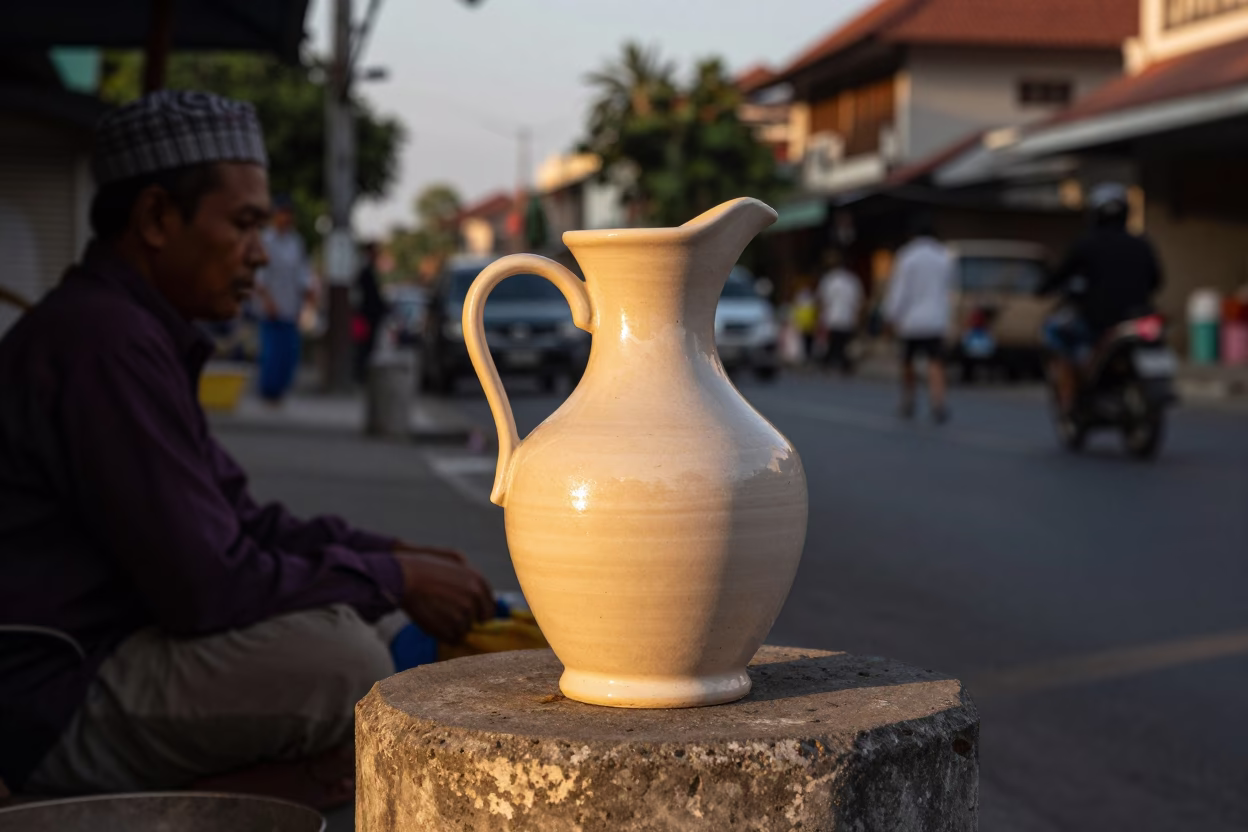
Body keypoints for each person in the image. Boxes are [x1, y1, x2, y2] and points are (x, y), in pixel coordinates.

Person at [0, 91, 494, 808]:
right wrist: (387, 574)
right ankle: (201, 800)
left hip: (115, 645)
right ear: (158, 220)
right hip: (51, 700)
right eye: (243, 225)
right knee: (342, 659)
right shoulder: (102, 344)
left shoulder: (134, 334)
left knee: (371, 614)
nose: (261, 254)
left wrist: (395, 557)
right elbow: (207, 586)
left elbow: (242, 523)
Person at [1038, 183, 1164, 414]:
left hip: (1098, 320)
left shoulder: (1086, 244)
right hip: (1138, 315)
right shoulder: (1141, 244)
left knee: (1058, 336)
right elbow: (1157, 280)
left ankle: (1068, 400)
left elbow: (1059, 276)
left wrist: (1043, 288)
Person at [883, 215, 955, 423]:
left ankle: (909, 399)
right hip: (936, 319)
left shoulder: (907, 256)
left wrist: (891, 316)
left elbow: (899, 290)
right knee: (936, 362)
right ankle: (938, 402)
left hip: (911, 321)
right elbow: (949, 291)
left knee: (908, 362)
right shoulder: (944, 255)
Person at [254, 193, 313, 403]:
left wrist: (307, 295)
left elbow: (303, 273)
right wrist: (267, 301)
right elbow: (259, 275)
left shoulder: (296, 242)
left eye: (288, 214)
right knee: (271, 352)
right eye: (282, 214)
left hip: (291, 306)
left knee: (289, 353)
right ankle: (268, 392)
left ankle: (281, 391)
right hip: (270, 308)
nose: (285, 219)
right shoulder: (266, 240)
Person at [816, 249, 863, 375]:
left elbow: (822, 301)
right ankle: (842, 365)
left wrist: (820, 318)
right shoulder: (853, 280)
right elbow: (858, 302)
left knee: (833, 344)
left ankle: (830, 364)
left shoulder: (829, 280)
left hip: (832, 317)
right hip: (847, 318)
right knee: (843, 344)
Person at [353, 241, 390, 382]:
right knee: (365, 347)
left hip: (370, 315)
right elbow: (368, 296)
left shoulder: (369, 270)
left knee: (369, 347)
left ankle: (364, 374)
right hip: (367, 316)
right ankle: (362, 375)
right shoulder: (365, 271)